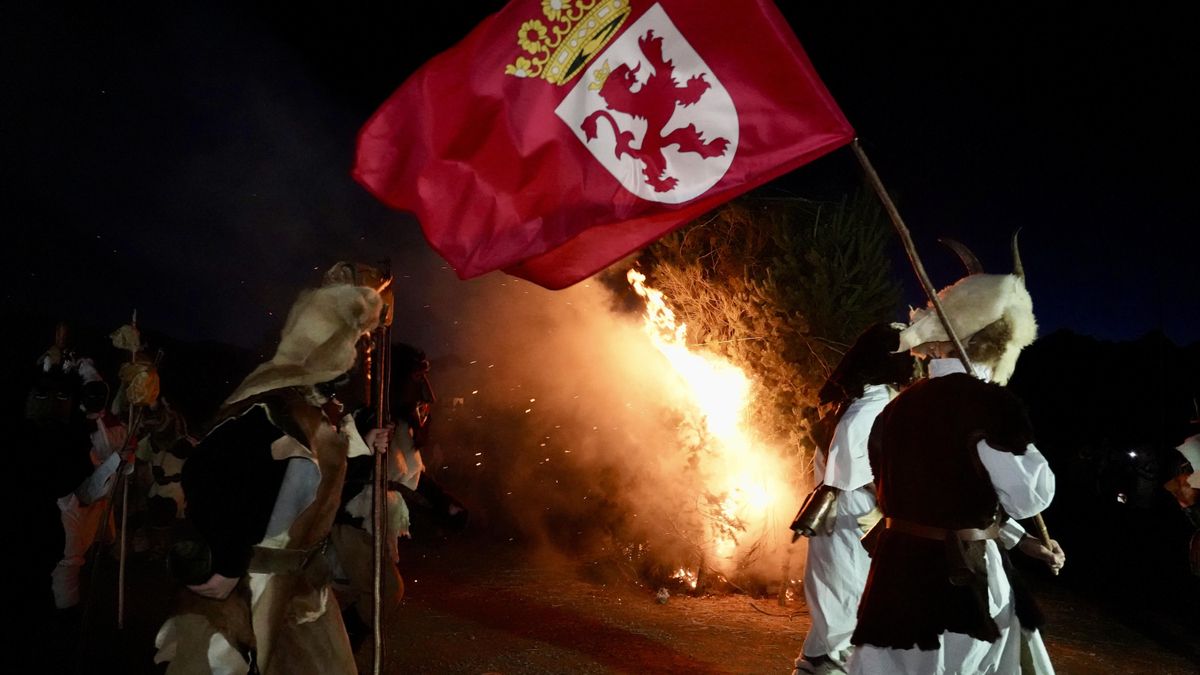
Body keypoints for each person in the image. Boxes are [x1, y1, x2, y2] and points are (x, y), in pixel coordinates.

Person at [154, 263, 391, 674]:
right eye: (357, 340)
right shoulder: (269, 404)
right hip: (249, 587)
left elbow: (312, 494)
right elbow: (207, 473)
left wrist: (363, 452)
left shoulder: (324, 411)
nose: (362, 352)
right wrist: (227, 562)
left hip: (305, 591)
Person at [848, 238, 1066, 674]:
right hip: (957, 587)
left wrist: (1023, 542)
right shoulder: (988, 406)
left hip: (893, 581)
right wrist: (1011, 425)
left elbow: (938, 497)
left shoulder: (895, 407)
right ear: (1001, 340)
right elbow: (1030, 497)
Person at [792, 323, 915, 675]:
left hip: (854, 523)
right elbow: (846, 474)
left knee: (838, 624)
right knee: (845, 616)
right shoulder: (869, 405)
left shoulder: (869, 400)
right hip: (850, 522)